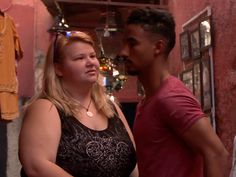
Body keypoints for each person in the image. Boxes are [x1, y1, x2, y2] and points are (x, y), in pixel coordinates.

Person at [120, 7, 229, 177]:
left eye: (132, 44)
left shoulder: (170, 97)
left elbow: (217, 154)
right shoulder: (148, 101)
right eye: (125, 44)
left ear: (158, 47)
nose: (123, 52)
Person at [19, 31, 138, 177]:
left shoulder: (110, 108)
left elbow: (133, 165)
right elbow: (36, 167)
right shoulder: (46, 107)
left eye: (92, 56)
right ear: (58, 69)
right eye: (80, 58)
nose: (91, 62)